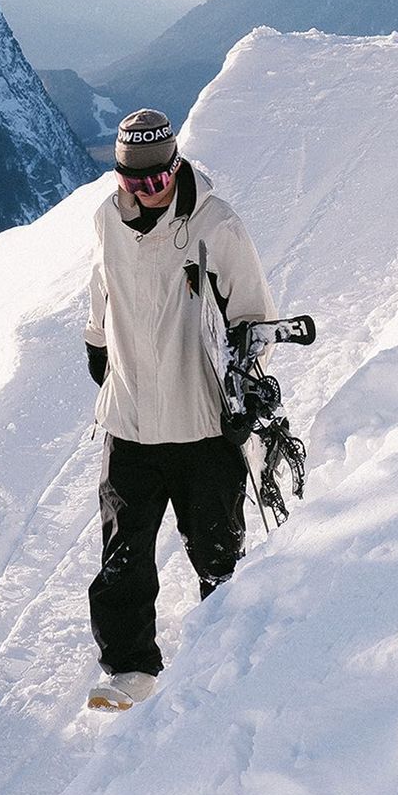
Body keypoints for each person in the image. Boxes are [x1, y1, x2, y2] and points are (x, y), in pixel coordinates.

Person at [83, 108, 276, 711]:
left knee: (217, 551)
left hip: (201, 421)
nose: (147, 190)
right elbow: (101, 289)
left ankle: (223, 662)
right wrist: (98, 346)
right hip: (130, 421)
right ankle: (129, 670)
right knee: (123, 556)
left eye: (158, 178)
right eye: (133, 180)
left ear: (176, 165)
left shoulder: (215, 224)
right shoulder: (106, 219)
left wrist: (246, 383)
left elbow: (253, 315)